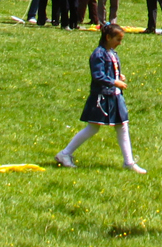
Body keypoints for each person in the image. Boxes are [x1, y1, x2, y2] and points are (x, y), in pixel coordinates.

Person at [55, 22, 146, 172]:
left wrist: (118, 76)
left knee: (122, 125)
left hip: (115, 96)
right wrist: (114, 82)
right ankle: (65, 154)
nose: (120, 43)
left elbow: (109, 71)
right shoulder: (98, 54)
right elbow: (98, 75)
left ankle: (129, 162)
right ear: (108, 37)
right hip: (102, 97)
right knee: (93, 127)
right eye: (118, 39)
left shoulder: (112, 53)